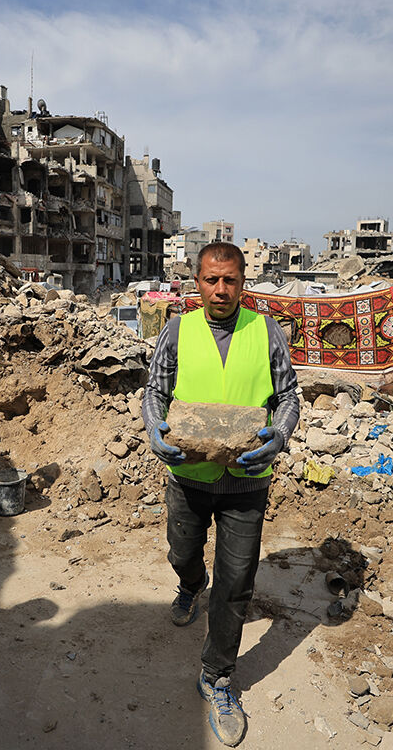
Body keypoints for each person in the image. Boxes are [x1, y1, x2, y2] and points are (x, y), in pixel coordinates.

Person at [142, 241, 299, 747]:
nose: (221, 290)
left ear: (242, 282)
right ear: (197, 281)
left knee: (236, 583)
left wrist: (279, 436)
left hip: (247, 482)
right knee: (182, 551)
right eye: (212, 279)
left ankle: (217, 677)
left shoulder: (265, 330)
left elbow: (288, 395)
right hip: (188, 477)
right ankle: (190, 584)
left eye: (230, 280)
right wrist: (155, 432)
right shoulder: (177, 330)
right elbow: (155, 391)